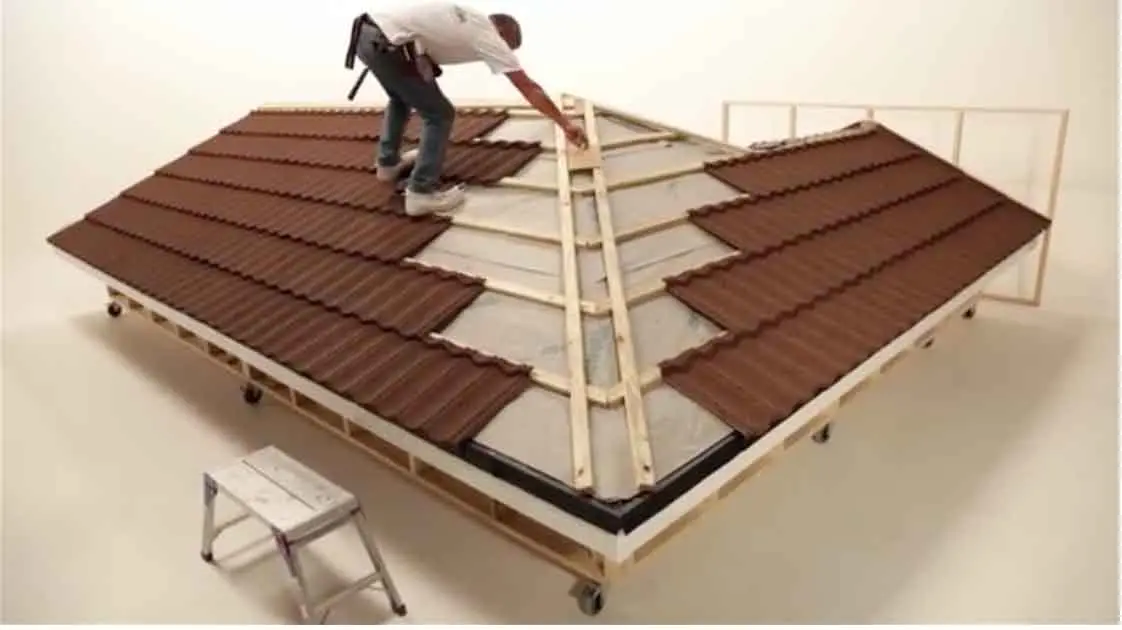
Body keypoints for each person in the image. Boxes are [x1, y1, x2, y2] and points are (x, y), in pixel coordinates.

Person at [347, 3, 589, 216]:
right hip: (388, 43)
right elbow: (528, 87)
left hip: (366, 35)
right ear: (503, 33)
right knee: (440, 114)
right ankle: (420, 192)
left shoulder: (467, 19)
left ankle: (388, 164)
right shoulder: (488, 34)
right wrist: (565, 123)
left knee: (400, 98)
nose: (501, 54)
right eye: (507, 48)